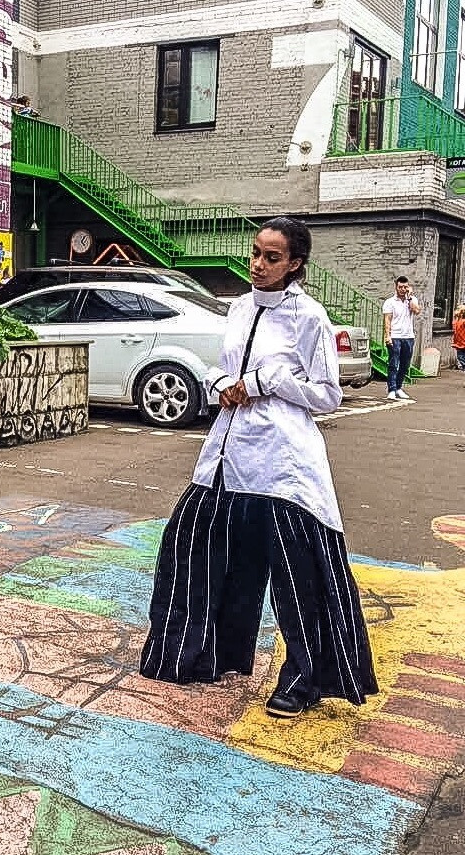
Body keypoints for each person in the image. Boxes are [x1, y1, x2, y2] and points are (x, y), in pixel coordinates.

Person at [139, 216, 378, 718]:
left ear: (295, 264)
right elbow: (225, 364)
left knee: (298, 574)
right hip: (226, 454)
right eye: (255, 253)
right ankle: (198, 653)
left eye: (272, 257)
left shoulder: (309, 317)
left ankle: (304, 678)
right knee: (192, 547)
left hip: (282, 463)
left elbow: (327, 395)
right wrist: (222, 382)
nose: (258, 264)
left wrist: (267, 381)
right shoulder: (240, 307)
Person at [382, 276, 421, 400]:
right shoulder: (390, 302)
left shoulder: (412, 300)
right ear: (396, 287)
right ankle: (392, 389)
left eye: (405, 287)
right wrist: (387, 336)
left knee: (405, 364)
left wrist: (409, 298)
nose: (403, 289)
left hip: (408, 337)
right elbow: (387, 320)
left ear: (408, 287)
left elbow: (416, 311)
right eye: (400, 287)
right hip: (395, 337)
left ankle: (399, 387)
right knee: (394, 363)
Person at [452, 303, 465, 371]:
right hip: (459, 342)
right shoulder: (457, 321)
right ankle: (463, 366)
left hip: (462, 341)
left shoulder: (463, 321)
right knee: (460, 356)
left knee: (461, 356)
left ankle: (463, 366)